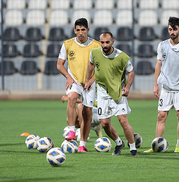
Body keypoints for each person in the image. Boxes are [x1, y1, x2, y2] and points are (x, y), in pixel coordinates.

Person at [144, 17, 179, 153]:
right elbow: (158, 64)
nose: (172, 32)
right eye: (170, 29)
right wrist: (155, 85)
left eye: (175, 29)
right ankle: (156, 145)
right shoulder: (162, 45)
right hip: (165, 86)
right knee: (161, 115)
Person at [85, 31, 138, 156]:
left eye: (107, 42)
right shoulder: (95, 53)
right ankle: (119, 143)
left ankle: (133, 149)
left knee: (123, 121)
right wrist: (88, 80)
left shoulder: (122, 57)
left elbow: (131, 72)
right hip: (102, 93)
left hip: (118, 92)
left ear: (112, 42)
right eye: (102, 42)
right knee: (104, 123)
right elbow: (91, 64)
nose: (104, 45)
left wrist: (128, 87)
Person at [57, 18, 101, 152]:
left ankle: (82, 145)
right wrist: (69, 77)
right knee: (71, 97)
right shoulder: (67, 44)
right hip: (75, 81)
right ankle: (71, 130)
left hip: (89, 82)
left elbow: (101, 67)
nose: (80, 32)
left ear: (88, 30)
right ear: (75, 30)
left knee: (87, 113)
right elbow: (59, 64)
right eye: (78, 30)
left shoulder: (96, 46)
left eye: (83, 30)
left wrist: (91, 81)